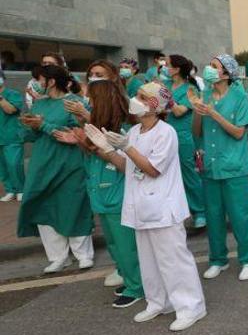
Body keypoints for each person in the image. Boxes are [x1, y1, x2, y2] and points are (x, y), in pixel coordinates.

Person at [85, 82, 207, 331]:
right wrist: (106, 150)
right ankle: (157, 302)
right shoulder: (134, 132)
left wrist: (125, 148)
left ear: (155, 105)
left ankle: (191, 307)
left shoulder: (166, 132)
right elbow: (126, 167)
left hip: (163, 207)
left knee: (173, 260)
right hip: (141, 207)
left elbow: (152, 169)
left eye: (142, 96)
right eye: (137, 95)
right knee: (149, 260)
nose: (135, 99)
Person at [54, 61, 145, 308]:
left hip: (117, 194)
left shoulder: (123, 128)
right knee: (115, 244)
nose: (88, 105)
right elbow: (95, 151)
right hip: (101, 193)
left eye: (91, 102)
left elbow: (124, 162)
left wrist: (93, 141)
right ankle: (129, 279)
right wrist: (80, 140)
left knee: (126, 246)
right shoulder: (97, 124)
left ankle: (137, 287)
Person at [17, 65, 95, 273]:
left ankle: (83, 255)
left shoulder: (74, 103)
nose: (37, 83)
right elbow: (33, 136)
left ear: (51, 81)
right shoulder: (39, 105)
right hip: (42, 164)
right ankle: (58, 257)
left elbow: (77, 133)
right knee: (44, 206)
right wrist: (27, 126)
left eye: (40, 79)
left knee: (74, 205)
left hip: (70, 164)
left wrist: (44, 125)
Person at [192, 54, 248, 281]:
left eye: (214, 66)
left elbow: (239, 132)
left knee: (241, 216)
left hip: (234, 167)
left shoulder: (240, 96)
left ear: (226, 72)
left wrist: (213, 113)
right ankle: (218, 260)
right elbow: (197, 131)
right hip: (210, 165)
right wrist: (198, 112)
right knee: (213, 217)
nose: (209, 69)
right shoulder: (205, 94)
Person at [165, 55, 206, 228]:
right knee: (168, 175)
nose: (164, 68)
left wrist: (168, 99)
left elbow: (180, 111)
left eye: (167, 65)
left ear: (176, 68)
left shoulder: (190, 89)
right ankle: (177, 212)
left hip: (183, 136)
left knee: (188, 174)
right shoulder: (165, 86)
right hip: (164, 135)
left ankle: (200, 211)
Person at [0, 69, 25, 202]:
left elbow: (11, 110)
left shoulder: (12, 94)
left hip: (12, 137)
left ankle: (20, 189)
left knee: (14, 164)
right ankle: (10, 190)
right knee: (2, 167)